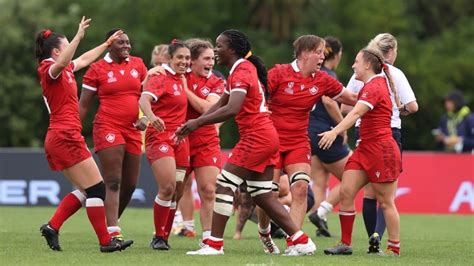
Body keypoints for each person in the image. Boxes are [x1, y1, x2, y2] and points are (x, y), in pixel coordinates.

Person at [176, 29, 316, 256]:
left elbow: (232, 109)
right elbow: (221, 103)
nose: (216, 50)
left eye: (220, 46)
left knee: (223, 184)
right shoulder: (241, 69)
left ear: (232, 48)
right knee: (262, 195)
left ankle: (214, 245)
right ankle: (302, 240)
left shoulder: (241, 71)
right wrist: (196, 122)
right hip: (266, 135)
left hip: (257, 136)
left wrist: (196, 124)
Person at [36, 17, 132, 252]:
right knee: (97, 189)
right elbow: (66, 61)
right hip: (65, 135)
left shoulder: (64, 67)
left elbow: (83, 59)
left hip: (62, 136)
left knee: (86, 190)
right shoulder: (49, 68)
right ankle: (105, 242)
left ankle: (52, 227)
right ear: (58, 51)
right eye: (67, 44)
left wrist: (106, 44)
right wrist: (78, 36)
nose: (72, 47)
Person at [256, 34, 356, 254]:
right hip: (271, 142)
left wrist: (378, 99)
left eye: (324, 53)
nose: (323, 57)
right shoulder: (278, 73)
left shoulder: (322, 79)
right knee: (267, 195)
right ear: (305, 53)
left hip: (298, 142)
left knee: (300, 189)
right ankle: (264, 231)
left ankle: (294, 243)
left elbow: (351, 98)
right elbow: (255, 95)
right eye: (319, 52)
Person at [342, 33, 418, 253]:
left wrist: (362, 108)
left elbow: (347, 107)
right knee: (386, 196)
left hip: (364, 134)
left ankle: (373, 240)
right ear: (392, 51)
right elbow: (412, 107)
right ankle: (380, 238)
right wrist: (397, 110)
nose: (354, 65)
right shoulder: (393, 73)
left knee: (369, 194)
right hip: (389, 134)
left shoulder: (364, 75)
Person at [322, 48, 402, 256]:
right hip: (365, 147)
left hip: (381, 149)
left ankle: (394, 248)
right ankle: (345, 244)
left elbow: (356, 112)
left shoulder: (375, 86)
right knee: (346, 191)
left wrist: (335, 132)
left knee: (385, 201)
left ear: (367, 65)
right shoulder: (371, 85)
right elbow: (353, 106)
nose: (352, 65)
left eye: (356, 62)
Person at [79, 28, 148, 241]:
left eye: (128, 42)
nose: (127, 46)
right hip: (108, 126)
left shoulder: (138, 64)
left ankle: (108, 224)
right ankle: (112, 231)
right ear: (110, 44)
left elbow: (147, 96)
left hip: (133, 129)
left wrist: (145, 116)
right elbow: (83, 105)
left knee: (130, 184)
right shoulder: (96, 69)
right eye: (121, 43)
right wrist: (71, 130)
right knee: (113, 181)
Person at [139, 39, 191, 251]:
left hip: (180, 139)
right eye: (180, 57)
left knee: (177, 191)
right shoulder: (161, 76)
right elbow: (143, 100)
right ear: (170, 58)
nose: (184, 61)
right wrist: (152, 118)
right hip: (160, 137)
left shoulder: (182, 78)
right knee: (167, 186)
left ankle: (164, 237)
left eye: (187, 58)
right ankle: (158, 237)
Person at [179, 38, 225, 243]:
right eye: (206, 58)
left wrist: (184, 90)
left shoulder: (217, 81)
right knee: (174, 190)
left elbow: (208, 109)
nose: (211, 62)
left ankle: (208, 238)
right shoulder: (178, 76)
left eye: (213, 58)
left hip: (206, 140)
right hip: (180, 139)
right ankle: (163, 234)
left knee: (208, 189)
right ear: (193, 61)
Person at [307, 36, 352, 237]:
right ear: (338, 54)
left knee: (319, 182)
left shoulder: (313, 73)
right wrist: (341, 128)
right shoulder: (328, 74)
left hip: (310, 133)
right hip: (326, 132)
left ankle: (320, 223)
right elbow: (329, 101)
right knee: (354, 177)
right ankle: (321, 211)